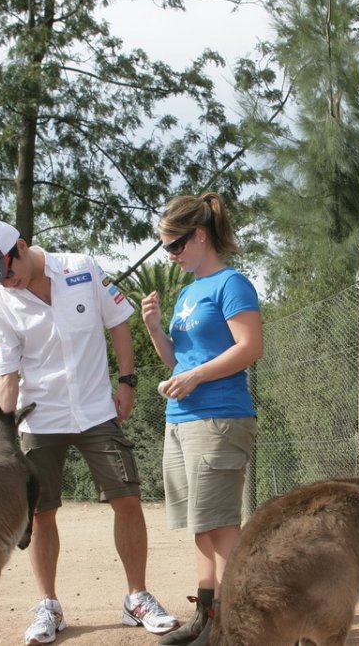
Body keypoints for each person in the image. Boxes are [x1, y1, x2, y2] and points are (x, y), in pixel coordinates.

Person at [0, 220, 178, 645]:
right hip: (40, 419)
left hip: (98, 409)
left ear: (21, 248)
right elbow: (5, 378)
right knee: (42, 513)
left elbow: (118, 322)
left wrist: (128, 381)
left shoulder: (82, 268)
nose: (4, 283)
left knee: (128, 499)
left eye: (6, 271)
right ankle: (49, 605)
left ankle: (136, 597)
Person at [140, 192, 263, 646]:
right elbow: (177, 361)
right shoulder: (188, 293)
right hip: (182, 418)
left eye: (174, 245)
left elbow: (249, 347)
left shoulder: (231, 284)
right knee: (201, 523)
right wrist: (154, 329)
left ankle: (246, 623)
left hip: (219, 418)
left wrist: (194, 377)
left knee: (221, 525)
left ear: (200, 235)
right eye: (165, 248)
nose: (170, 256)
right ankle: (208, 617)